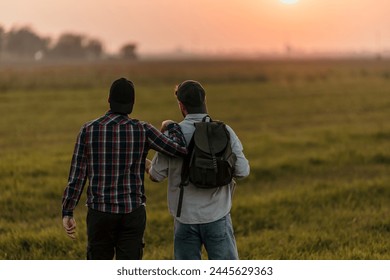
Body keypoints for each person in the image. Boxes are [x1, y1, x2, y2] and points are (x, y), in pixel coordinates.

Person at [61, 77, 187, 260]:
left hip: (99, 213)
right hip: (132, 213)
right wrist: (172, 125)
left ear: (109, 101)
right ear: (132, 104)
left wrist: (68, 211)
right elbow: (180, 149)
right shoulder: (143, 130)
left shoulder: (88, 130)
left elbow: (77, 176)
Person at [146, 80, 250, 260]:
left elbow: (156, 175)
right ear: (204, 100)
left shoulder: (173, 134)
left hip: (185, 219)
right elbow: (243, 171)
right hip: (218, 216)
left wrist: (144, 162)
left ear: (181, 105)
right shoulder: (224, 130)